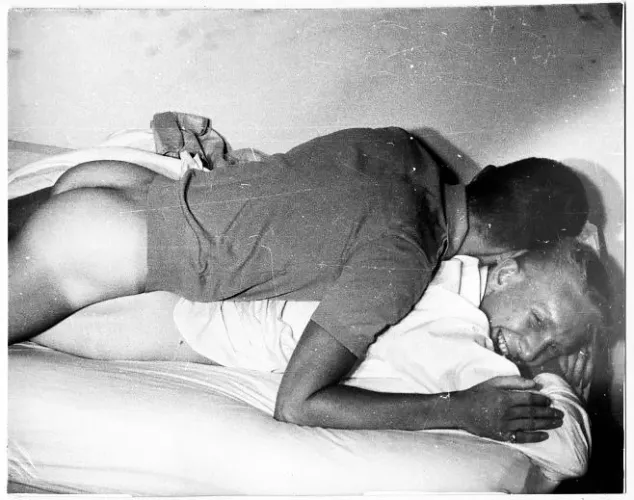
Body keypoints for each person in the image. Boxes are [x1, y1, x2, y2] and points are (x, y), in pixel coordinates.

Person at [9, 127, 590, 438]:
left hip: (120, 185)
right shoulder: (402, 260)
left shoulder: (401, 145)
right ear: (512, 255)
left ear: (490, 175)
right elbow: (298, 402)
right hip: (103, 247)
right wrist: (456, 410)